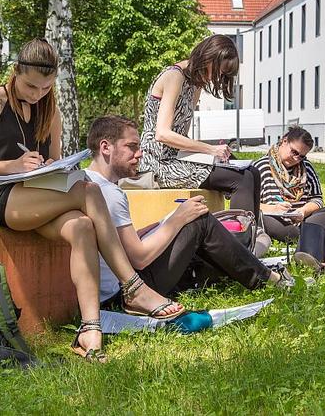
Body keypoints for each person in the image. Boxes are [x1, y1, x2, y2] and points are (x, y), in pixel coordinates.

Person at [0, 38, 183, 363]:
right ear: (16, 72)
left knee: (81, 226)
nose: (37, 94)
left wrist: (50, 167)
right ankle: (133, 286)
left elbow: (53, 162)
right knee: (88, 190)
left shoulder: (50, 110)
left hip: (32, 193)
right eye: (31, 85)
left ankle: (89, 333)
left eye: (45, 88)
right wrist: (11, 166)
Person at [84, 116, 294, 298]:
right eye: (131, 147)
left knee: (199, 250)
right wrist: (178, 220)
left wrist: (160, 224)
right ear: (105, 147)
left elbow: (118, 244)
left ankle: (256, 272)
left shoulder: (88, 184)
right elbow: (139, 258)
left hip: (115, 286)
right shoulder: (110, 193)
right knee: (200, 220)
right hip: (128, 289)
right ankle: (268, 279)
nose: (139, 154)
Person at [139, 34, 261, 218]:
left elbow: (182, 135)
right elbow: (162, 134)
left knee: (252, 172)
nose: (218, 77)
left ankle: (252, 232)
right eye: (219, 71)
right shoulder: (174, 76)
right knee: (241, 179)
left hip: (175, 156)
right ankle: (238, 241)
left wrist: (209, 153)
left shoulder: (195, 84)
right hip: (157, 162)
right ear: (208, 57)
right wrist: (210, 149)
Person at [255, 126, 325, 243]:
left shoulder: (306, 168)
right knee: (262, 219)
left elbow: (317, 200)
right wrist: (274, 209)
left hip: (303, 221)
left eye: (301, 156)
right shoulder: (260, 167)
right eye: (294, 152)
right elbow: (249, 205)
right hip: (274, 219)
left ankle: (303, 234)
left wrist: (303, 211)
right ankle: (309, 235)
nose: (296, 158)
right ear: (284, 141)